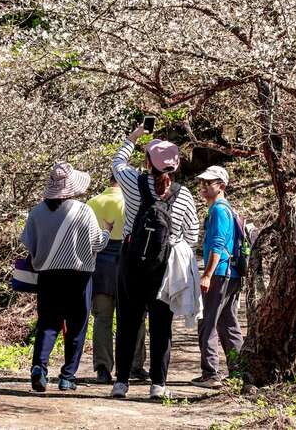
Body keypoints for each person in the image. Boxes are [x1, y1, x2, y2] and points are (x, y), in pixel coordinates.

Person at [111, 122, 200, 400]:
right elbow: (193, 235)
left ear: (148, 162)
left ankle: (121, 383)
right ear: (175, 166)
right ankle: (158, 384)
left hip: (130, 261)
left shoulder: (132, 183)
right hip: (164, 267)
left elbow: (117, 161)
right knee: (161, 325)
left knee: (128, 322)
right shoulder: (184, 195)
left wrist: (135, 136)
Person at [20, 162, 110, 392]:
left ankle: (38, 368)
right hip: (79, 277)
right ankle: (67, 376)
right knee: (77, 325)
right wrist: (107, 231)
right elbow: (96, 244)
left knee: (48, 324)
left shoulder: (36, 212)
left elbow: (29, 245)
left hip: (48, 276)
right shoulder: (83, 211)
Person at [86, 175, 148, 384]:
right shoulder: (133, 201)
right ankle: (135, 365)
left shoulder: (92, 203)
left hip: (100, 263)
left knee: (102, 318)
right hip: (128, 261)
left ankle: (103, 367)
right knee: (133, 316)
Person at [192, 165, 244, 389]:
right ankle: (239, 371)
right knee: (228, 323)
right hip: (231, 273)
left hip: (221, 273)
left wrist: (207, 275)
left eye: (208, 183)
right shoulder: (225, 209)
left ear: (221, 186)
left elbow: (218, 244)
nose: (203, 187)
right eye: (202, 182)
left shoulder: (219, 210)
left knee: (208, 322)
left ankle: (211, 374)